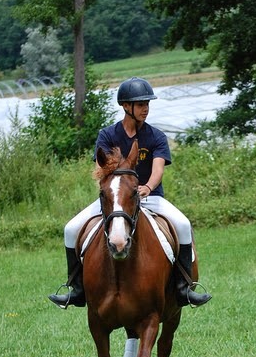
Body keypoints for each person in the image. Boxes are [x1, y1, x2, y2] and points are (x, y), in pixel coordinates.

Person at [48, 76, 212, 309]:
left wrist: (148, 187)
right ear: (126, 106)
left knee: (183, 225)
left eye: (147, 104)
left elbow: (157, 169)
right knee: (71, 229)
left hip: (150, 197)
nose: (146, 109)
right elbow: (103, 168)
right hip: (115, 200)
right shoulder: (107, 135)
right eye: (141, 104)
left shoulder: (156, 136)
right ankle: (76, 290)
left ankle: (184, 288)